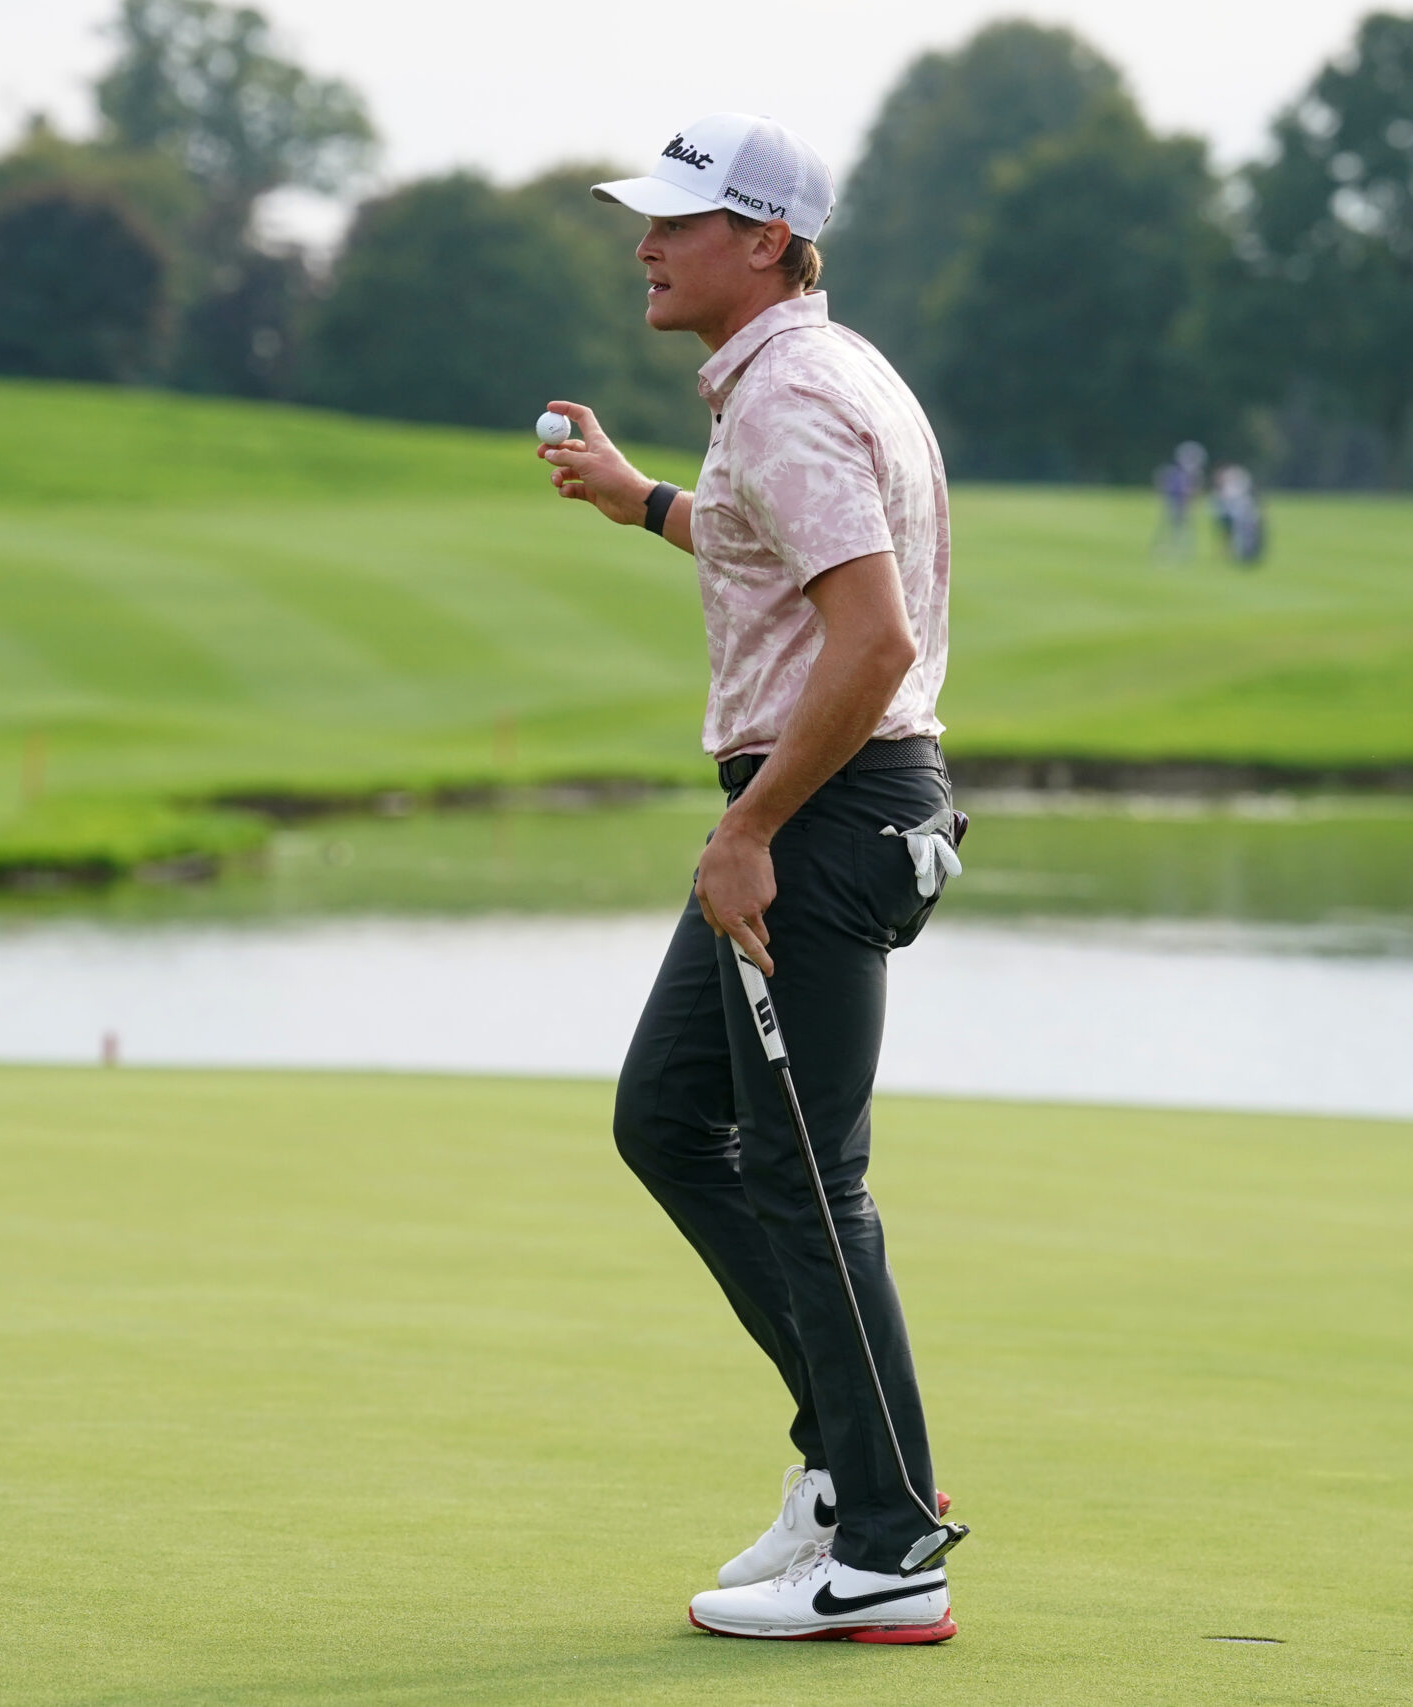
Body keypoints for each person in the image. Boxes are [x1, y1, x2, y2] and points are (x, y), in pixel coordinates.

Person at [537, 111, 963, 1645]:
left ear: (765, 239)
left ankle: (891, 1540)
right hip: (831, 807)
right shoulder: (800, 378)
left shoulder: (786, 396)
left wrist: (749, 834)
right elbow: (770, 558)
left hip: (825, 816)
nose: (644, 246)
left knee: (806, 1177)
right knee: (668, 1116)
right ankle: (851, 1476)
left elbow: (873, 642)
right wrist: (638, 497)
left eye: (675, 223)